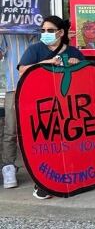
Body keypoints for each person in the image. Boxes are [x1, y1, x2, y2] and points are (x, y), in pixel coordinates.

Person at [16, 16, 85, 199]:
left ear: (61, 33)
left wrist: (77, 65)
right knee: (46, 142)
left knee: (67, 141)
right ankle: (43, 182)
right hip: (41, 105)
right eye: (43, 30)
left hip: (67, 107)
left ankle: (69, 177)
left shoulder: (73, 52)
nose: (45, 34)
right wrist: (46, 63)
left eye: (50, 30)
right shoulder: (35, 49)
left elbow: (86, 77)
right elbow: (22, 70)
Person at [1, 32, 35, 191]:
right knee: (11, 129)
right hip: (13, 86)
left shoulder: (41, 29)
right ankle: (8, 167)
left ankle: (40, 165)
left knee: (39, 128)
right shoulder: (6, 30)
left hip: (39, 85)